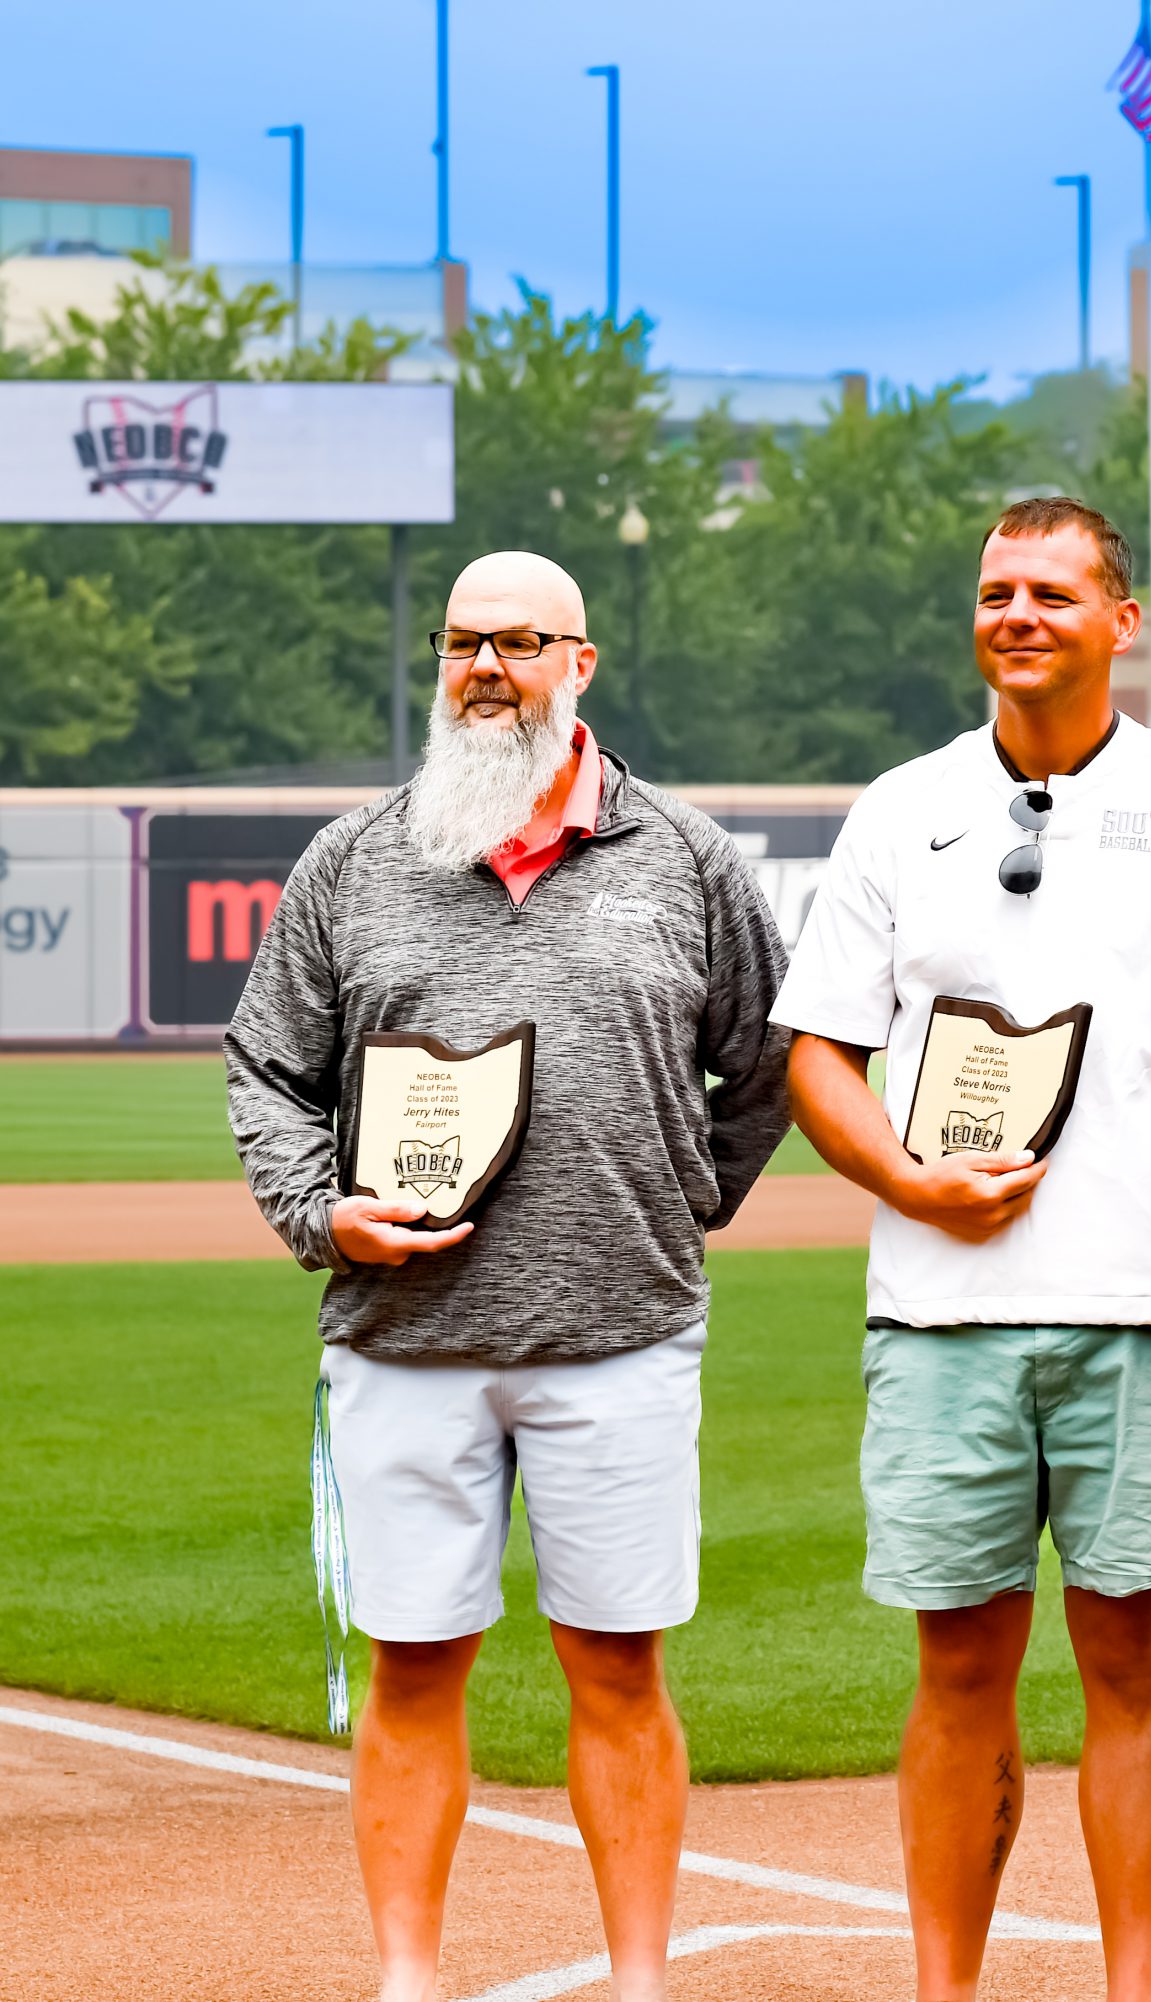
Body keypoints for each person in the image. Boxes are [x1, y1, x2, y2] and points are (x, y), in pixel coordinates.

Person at [225, 550, 793, 2002]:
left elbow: (773, 1059)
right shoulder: (355, 861)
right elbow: (268, 1069)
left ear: (579, 664)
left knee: (619, 1670)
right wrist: (321, 1211)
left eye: (520, 642)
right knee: (414, 1670)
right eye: (463, 642)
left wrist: (682, 1196)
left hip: (621, 1335)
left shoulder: (686, 858)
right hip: (403, 1340)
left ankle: (643, 1977)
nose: (486, 668)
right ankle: (409, 1978)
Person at [774, 496, 1151, 2002]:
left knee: (1136, 1668)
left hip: (1143, 1315)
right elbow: (821, 1051)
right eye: (998, 589)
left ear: (1120, 619)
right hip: (941, 1315)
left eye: (1056, 593)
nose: (1019, 614)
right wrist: (909, 1180)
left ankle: (1135, 1986)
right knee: (955, 1672)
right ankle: (949, 1985)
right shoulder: (902, 808)